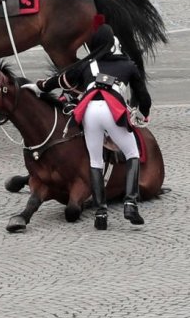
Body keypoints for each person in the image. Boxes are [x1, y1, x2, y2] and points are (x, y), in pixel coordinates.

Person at [32, 22, 151, 230]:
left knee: (95, 160)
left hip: (89, 112)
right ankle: (130, 203)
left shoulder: (87, 64)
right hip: (111, 110)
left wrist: (38, 86)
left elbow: (60, 80)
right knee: (132, 152)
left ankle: (100, 212)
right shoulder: (127, 65)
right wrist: (145, 114)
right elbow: (144, 97)